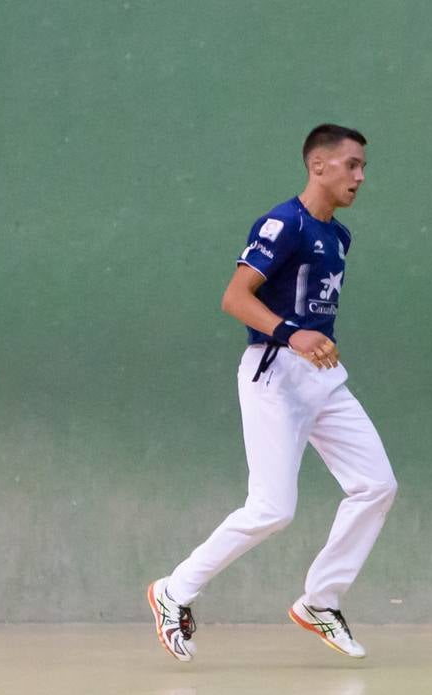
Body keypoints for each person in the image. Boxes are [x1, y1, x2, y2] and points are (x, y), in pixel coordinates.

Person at [146, 124, 395, 661]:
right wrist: (292, 333)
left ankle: (319, 602)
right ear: (318, 166)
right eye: (351, 165)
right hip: (273, 373)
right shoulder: (285, 223)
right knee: (272, 509)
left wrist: (310, 344)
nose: (360, 176)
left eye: (364, 167)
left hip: (321, 378)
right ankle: (175, 590)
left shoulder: (339, 236)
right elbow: (235, 298)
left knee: (377, 485)